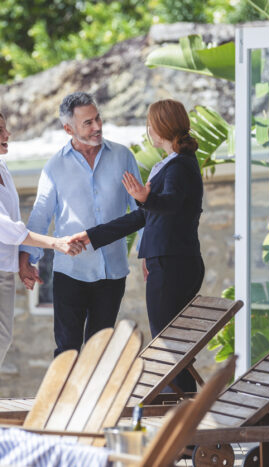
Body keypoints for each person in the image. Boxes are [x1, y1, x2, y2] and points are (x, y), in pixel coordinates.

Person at [69, 99, 205, 392]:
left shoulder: (180, 166)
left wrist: (146, 198)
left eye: (150, 124)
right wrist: (92, 236)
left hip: (175, 263)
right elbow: (145, 216)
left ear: (160, 127)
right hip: (166, 261)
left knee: (169, 343)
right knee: (168, 341)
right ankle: (179, 418)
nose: (148, 131)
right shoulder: (170, 164)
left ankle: (182, 423)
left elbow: (168, 205)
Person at [0, 109, 83, 399]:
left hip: (1, 267)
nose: (7, 134)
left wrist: (21, 263)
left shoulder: (2, 169)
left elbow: (13, 222)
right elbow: (6, 229)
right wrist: (55, 243)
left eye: (5, 129)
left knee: (1, 340)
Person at [18, 92, 142, 356]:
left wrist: (148, 256)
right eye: (87, 123)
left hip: (112, 272)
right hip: (71, 271)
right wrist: (26, 259)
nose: (97, 126)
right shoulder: (54, 167)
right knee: (67, 351)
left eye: (97, 118)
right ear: (68, 128)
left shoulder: (122, 156)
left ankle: (95, 399)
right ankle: (63, 399)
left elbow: (141, 210)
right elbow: (41, 215)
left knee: (100, 351)